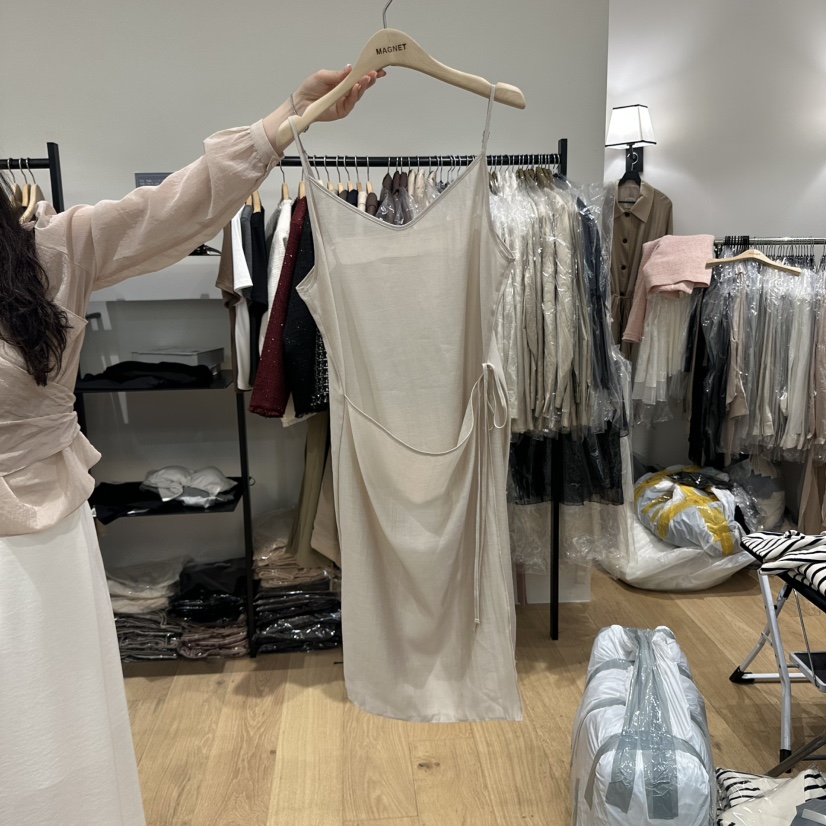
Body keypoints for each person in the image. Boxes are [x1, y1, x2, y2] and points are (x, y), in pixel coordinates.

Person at [0, 66, 382, 826]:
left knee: (48, 740)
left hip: (35, 545)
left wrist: (289, 117)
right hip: (39, 531)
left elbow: (174, 207)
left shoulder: (49, 256)